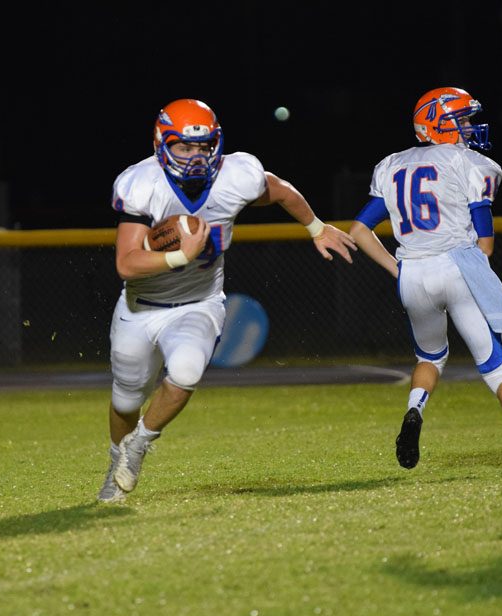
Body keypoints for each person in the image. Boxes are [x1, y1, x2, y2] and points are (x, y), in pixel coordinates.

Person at [98, 98, 357, 503]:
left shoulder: (236, 175)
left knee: (185, 371)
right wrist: (180, 255)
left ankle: (140, 445)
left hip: (199, 303)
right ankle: (116, 461)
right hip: (140, 307)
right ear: (161, 144)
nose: (196, 157)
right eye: (184, 147)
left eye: (203, 147)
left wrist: (316, 227)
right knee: (125, 398)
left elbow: (282, 191)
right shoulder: (142, 184)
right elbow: (127, 264)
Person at [349, 86, 502, 472]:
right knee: (497, 371)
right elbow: (486, 243)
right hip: (457, 268)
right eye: (463, 120)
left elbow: (359, 230)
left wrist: (397, 269)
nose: (471, 127)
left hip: (412, 276)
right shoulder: (470, 163)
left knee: (429, 357)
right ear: (438, 125)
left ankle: (414, 410)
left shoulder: (391, 164)